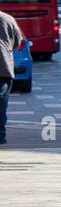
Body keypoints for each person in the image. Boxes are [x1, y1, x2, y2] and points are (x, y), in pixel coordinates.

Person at [0, 8, 26, 145]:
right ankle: (1, 135)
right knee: (1, 105)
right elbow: (17, 42)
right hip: (3, 67)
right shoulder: (8, 19)